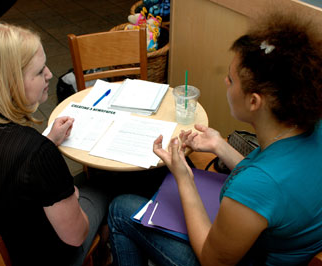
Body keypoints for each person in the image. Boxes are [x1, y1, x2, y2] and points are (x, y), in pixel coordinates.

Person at [108, 11, 322, 266]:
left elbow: (212, 260)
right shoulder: (310, 129)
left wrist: (184, 178)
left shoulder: (257, 186)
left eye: (231, 80)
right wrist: (220, 145)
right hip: (274, 243)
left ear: (254, 101)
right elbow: (274, 182)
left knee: (120, 209)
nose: (225, 82)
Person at [0, 22, 108, 266]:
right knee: (102, 188)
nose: (49, 74)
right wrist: (73, 195)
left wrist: (48, 142)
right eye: (38, 72)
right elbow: (75, 236)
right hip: (34, 257)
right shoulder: (35, 153)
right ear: (9, 83)